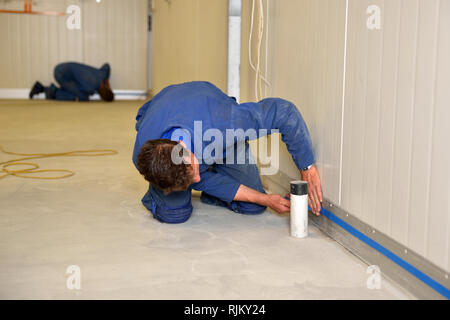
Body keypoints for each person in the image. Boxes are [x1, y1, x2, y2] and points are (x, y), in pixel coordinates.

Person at [133, 81, 323, 224]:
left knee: (253, 207)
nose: (198, 179)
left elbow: (284, 112)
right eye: (193, 177)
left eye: (195, 169)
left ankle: (205, 178)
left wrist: (306, 166)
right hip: (168, 109)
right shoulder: (145, 155)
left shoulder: (226, 124)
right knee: (174, 214)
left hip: (208, 111)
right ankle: (159, 194)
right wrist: (265, 198)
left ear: (184, 148)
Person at [29, 62, 114, 102]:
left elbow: (107, 65)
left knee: (77, 92)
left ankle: (42, 88)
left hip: (61, 68)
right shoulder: (90, 87)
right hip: (61, 75)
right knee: (82, 97)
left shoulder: (102, 74)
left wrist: (106, 79)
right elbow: (80, 90)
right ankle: (50, 91)